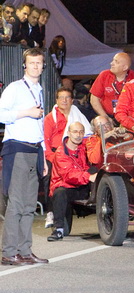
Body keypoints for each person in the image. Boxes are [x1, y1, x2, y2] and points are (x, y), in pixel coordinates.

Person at [0, 47, 49, 265]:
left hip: (34, 150)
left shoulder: (39, 89)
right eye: (32, 63)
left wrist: (44, 155)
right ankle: (9, 252)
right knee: (17, 204)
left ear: (43, 65)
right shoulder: (15, 88)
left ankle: (25, 251)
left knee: (30, 205)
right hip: (17, 149)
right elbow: (1, 114)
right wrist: (26, 112)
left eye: (39, 63)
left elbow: (40, 126)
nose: (36, 66)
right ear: (24, 65)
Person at [43, 87, 92, 228]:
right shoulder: (50, 118)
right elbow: (45, 140)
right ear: (57, 100)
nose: (64, 100)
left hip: (76, 152)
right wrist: (52, 157)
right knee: (49, 175)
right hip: (55, 154)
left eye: (67, 97)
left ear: (72, 100)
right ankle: (51, 211)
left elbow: (87, 135)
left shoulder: (78, 115)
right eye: (61, 98)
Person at [47, 122, 97, 241]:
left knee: (98, 170)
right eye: (75, 132)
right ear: (69, 133)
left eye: (81, 132)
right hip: (66, 186)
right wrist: (89, 177)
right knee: (60, 193)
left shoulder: (83, 147)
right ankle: (58, 229)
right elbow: (69, 175)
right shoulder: (60, 152)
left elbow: (96, 140)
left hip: (82, 185)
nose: (78, 135)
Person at [90, 52, 134, 124]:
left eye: (116, 62)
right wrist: (105, 117)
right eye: (113, 60)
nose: (111, 63)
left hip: (128, 118)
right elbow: (94, 99)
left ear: (125, 67)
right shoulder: (104, 75)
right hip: (106, 116)